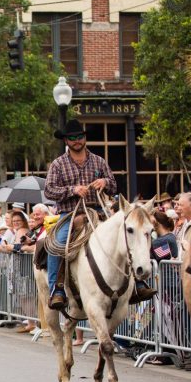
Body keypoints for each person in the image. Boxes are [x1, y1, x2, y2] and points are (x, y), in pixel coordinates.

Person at [43, 119, 152, 309]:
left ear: (84, 138)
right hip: (69, 213)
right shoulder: (58, 164)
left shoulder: (98, 161)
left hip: (98, 210)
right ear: (66, 141)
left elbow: (113, 184)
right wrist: (72, 190)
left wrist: (104, 183)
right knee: (57, 244)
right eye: (72, 138)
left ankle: (137, 284)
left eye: (79, 137)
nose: (76, 141)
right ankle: (57, 289)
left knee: (126, 236)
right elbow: (49, 191)